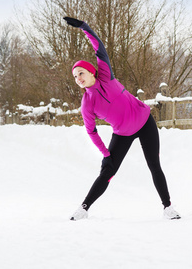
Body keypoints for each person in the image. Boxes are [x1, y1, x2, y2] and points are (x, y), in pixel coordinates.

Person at [63, 17, 180, 220]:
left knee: (154, 165)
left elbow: (99, 48)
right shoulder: (86, 104)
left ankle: (168, 207)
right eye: (75, 77)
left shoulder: (106, 76)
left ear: (91, 72)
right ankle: (83, 208)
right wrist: (105, 153)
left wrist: (84, 27)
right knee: (107, 171)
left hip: (144, 122)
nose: (78, 78)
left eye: (80, 73)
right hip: (122, 133)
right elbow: (91, 131)